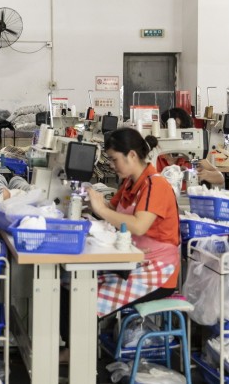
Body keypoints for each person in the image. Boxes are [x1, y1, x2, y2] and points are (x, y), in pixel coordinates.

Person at [59, 128, 179, 362]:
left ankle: (80, 361)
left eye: (115, 159)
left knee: (87, 298)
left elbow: (138, 226)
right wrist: (86, 203)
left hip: (158, 270)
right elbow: (113, 212)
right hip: (133, 259)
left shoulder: (157, 185)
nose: (113, 166)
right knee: (68, 283)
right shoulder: (130, 183)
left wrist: (100, 209)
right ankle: (72, 348)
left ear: (132, 155)